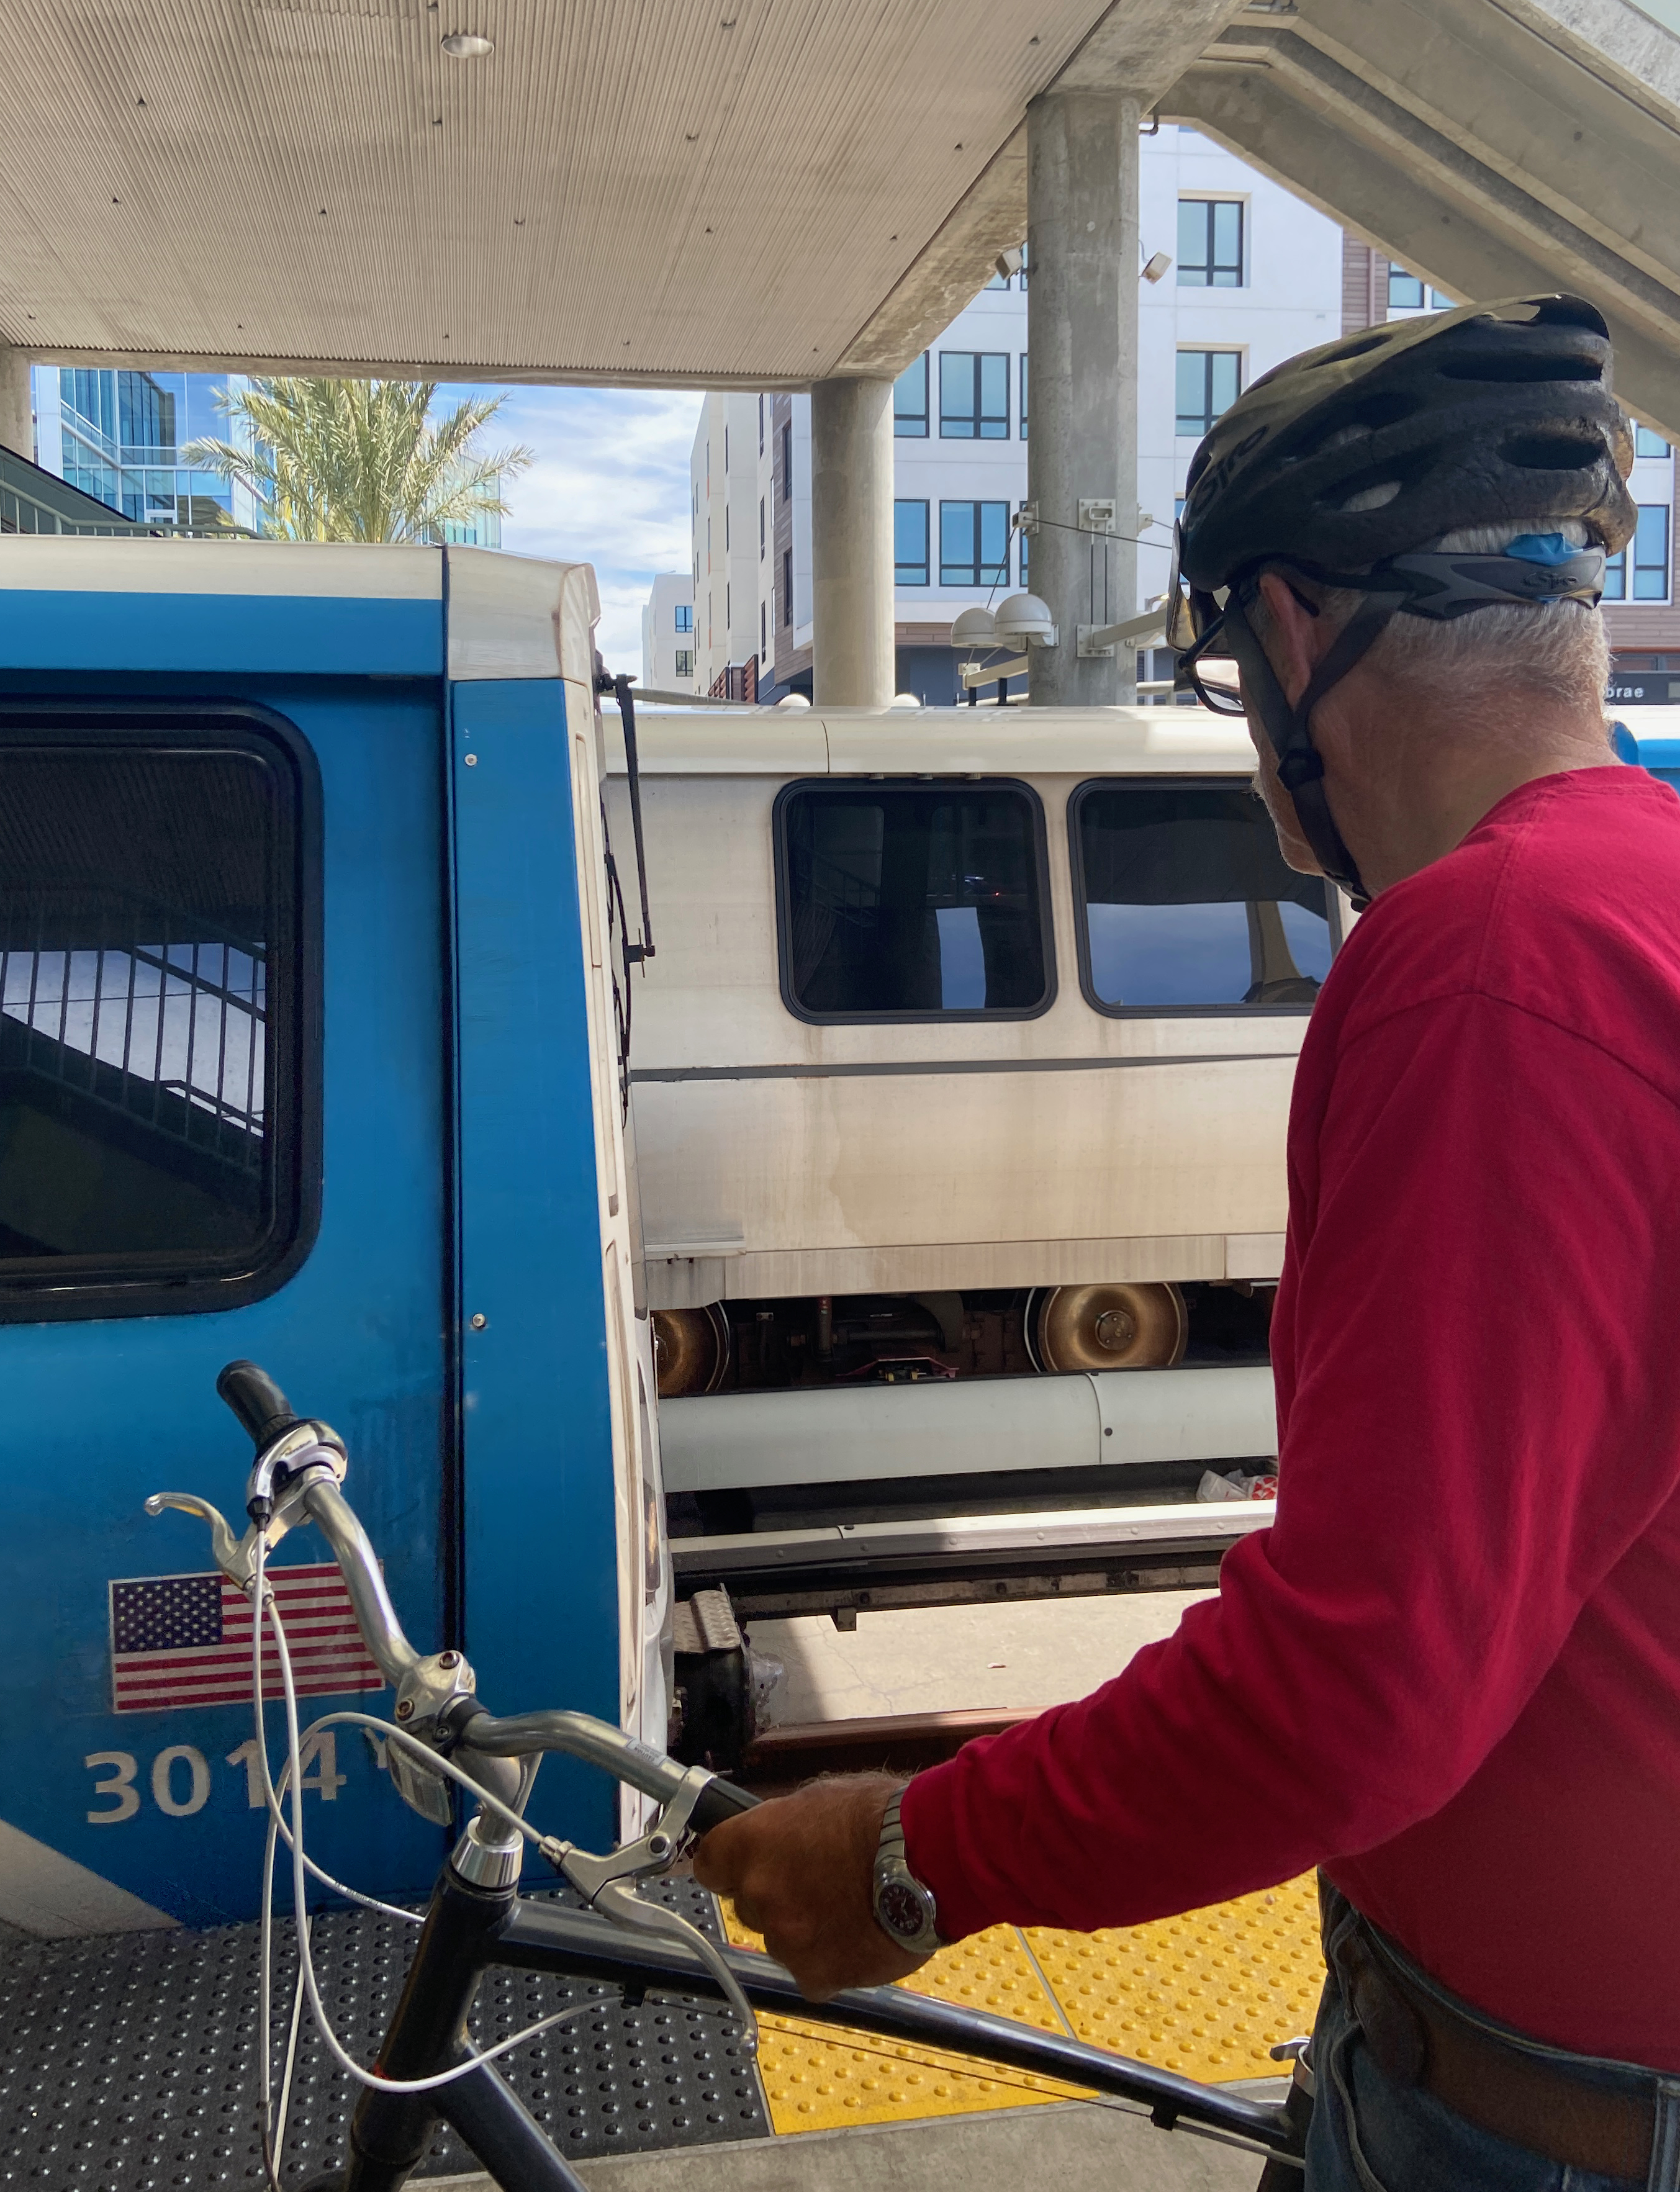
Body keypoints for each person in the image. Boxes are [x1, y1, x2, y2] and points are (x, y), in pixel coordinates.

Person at [695, 294, 1680, 2191]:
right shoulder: (1647, 895)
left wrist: (916, 1860)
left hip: (1551, 2127)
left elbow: (1360, 1682)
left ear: (1295, 635)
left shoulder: (1490, 960)